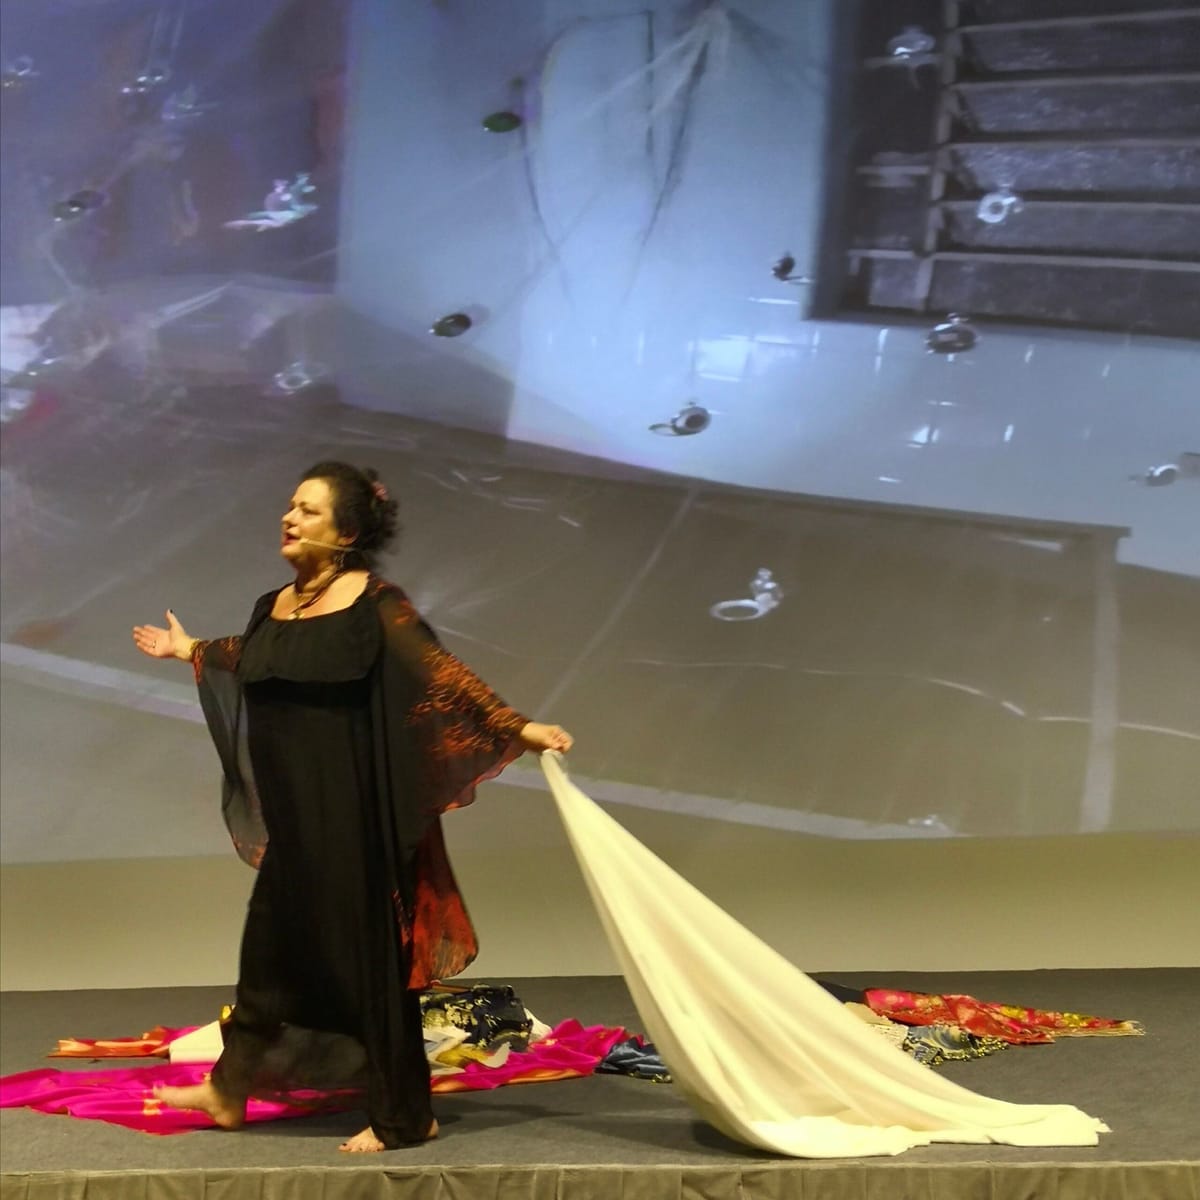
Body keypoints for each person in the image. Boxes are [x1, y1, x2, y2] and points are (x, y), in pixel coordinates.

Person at [132, 461, 572, 1152]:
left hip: (351, 820)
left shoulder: (374, 604)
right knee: (267, 953)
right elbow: (256, 654)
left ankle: (405, 1115)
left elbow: (441, 673)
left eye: (308, 510)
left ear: (345, 533)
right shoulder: (274, 605)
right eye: (290, 505)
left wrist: (518, 726)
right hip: (295, 821)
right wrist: (189, 648)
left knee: (368, 963)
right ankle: (229, 1090)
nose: (290, 517)